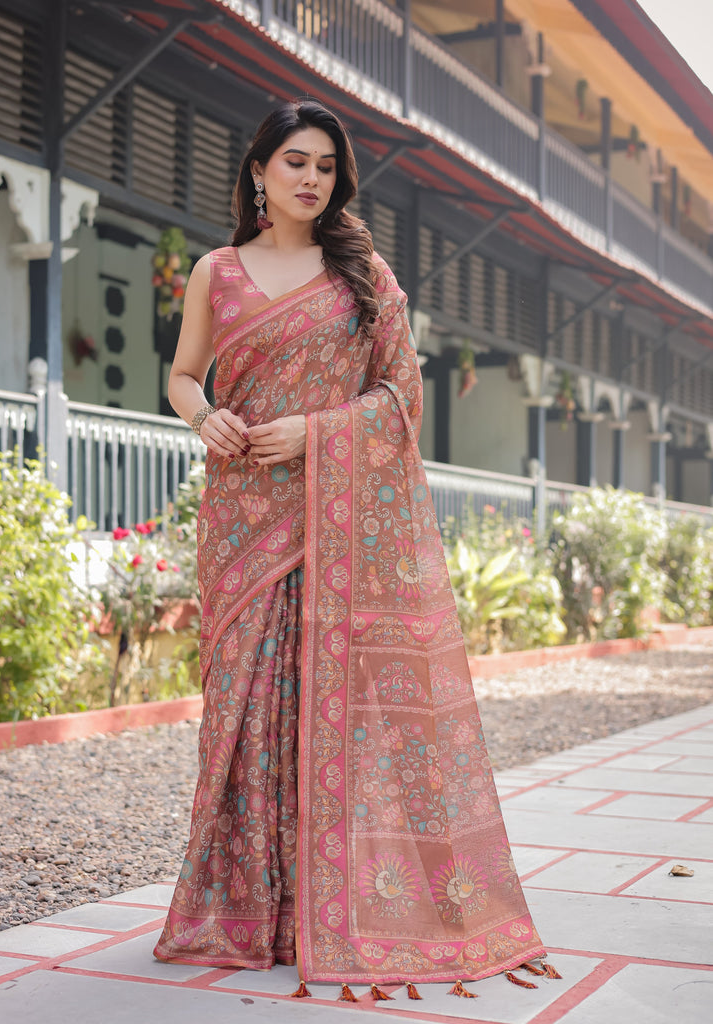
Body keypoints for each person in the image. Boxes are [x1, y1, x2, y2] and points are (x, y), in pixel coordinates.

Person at [153, 99, 555, 998]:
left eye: (325, 167)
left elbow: (401, 396)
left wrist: (315, 433)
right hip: (243, 512)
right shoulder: (217, 271)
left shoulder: (362, 276)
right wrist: (204, 414)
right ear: (258, 170)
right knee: (245, 708)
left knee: (340, 705)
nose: (309, 178)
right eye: (293, 161)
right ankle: (246, 909)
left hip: (334, 512)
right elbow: (181, 373)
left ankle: (327, 909)